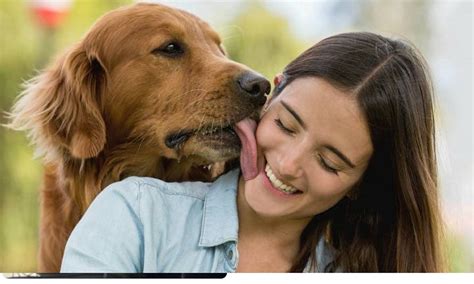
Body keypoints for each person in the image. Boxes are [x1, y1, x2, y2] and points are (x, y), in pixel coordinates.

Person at [60, 32, 445, 272]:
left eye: (329, 162)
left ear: (363, 182)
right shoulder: (135, 217)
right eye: (285, 125)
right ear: (271, 93)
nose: (289, 164)